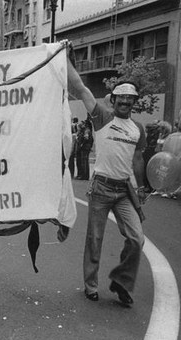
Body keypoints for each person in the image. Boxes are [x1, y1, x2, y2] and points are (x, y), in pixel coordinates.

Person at [66, 43, 147, 306]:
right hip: (101, 189)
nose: (124, 101)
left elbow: (137, 159)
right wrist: (64, 58)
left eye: (129, 98)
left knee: (137, 239)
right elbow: (80, 89)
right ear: (113, 100)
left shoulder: (138, 129)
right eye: (120, 97)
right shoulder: (102, 117)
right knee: (95, 240)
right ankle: (91, 285)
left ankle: (121, 282)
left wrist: (142, 188)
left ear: (134, 101)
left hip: (124, 192)